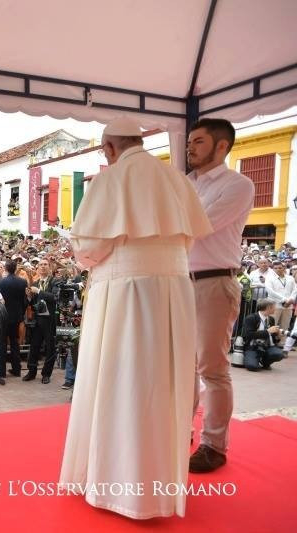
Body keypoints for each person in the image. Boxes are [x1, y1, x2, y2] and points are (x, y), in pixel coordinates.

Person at [59, 116, 212, 519]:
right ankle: (158, 487)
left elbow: (88, 248)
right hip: (173, 292)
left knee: (120, 383)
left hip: (123, 295)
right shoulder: (177, 180)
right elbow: (188, 238)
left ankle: (118, 488)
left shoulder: (109, 180)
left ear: (109, 148)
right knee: (162, 385)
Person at [186, 118, 255, 474]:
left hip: (215, 281)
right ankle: (180, 431)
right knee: (181, 367)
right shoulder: (186, 183)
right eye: (190, 141)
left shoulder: (238, 185)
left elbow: (196, 226)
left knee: (211, 369)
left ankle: (214, 445)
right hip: (181, 282)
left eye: (198, 141)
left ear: (222, 145)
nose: (190, 146)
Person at [24, 258, 57, 384]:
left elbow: (53, 297)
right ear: (37, 268)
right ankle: (31, 372)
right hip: (38, 319)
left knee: (50, 348)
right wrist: (29, 296)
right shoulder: (36, 283)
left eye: (45, 264)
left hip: (50, 320)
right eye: (41, 265)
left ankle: (46, 374)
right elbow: (32, 303)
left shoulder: (54, 281)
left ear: (49, 267)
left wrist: (38, 291)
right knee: (34, 346)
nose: (43, 266)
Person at [0, 259, 27, 378]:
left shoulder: (0, 283)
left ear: (6, 268)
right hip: (17, 316)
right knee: (15, 342)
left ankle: (2, 372)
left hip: (4, 316)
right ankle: (16, 369)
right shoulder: (22, 282)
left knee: (2, 343)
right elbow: (24, 301)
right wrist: (21, 313)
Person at [241, 299, 285, 371]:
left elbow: (273, 339)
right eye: (274, 307)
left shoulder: (271, 319)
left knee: (279, 354)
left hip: (267, 346)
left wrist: (278, 336)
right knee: (252, 366)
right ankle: (252, 358)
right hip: (253, 347)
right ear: (268, 308)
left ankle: (265, 362)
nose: (275, 309)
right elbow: (249, 335)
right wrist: (267, 331)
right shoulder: (251, 318)